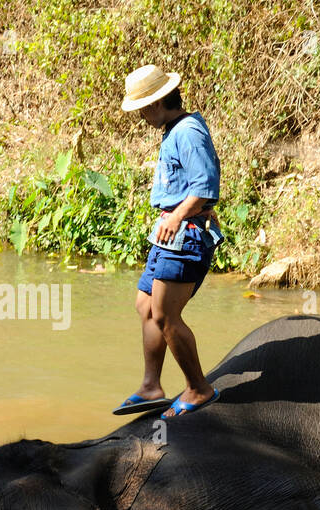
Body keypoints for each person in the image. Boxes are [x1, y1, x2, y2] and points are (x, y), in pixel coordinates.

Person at [113, 64, 223, 419]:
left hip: (184, 236)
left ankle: (199, 388)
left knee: (165, 314)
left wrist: (177, 216)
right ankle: (151, 387)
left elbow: (205, 186)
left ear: (156, 103)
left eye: (143, 109)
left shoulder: (188, 131)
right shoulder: (174, 130)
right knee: (145, 305)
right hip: (170, 233)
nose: (142, 116)